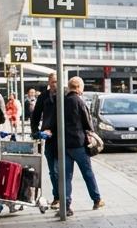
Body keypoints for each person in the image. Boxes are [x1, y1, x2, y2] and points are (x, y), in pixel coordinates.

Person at [44, 77, 104, 216]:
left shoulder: (61, 102)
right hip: (79, 144)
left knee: (65, 177)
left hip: (64, 144)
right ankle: (96, 199)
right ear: (78, 87)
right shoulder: (79, 102)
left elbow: (53, 123)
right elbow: (88, 124)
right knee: (87, 173)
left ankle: (66, 205)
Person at [30, 74, 61, 208]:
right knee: (53, 170)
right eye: (53, 82)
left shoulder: (65, 94)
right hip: (49, 137)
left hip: (65, 137)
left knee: (62, 170)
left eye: (57, 81)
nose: (55, 84)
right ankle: (57, 197)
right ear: (49, 82)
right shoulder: (44, 96)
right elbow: (35, 115)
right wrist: (36, 132)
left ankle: (65, 198)